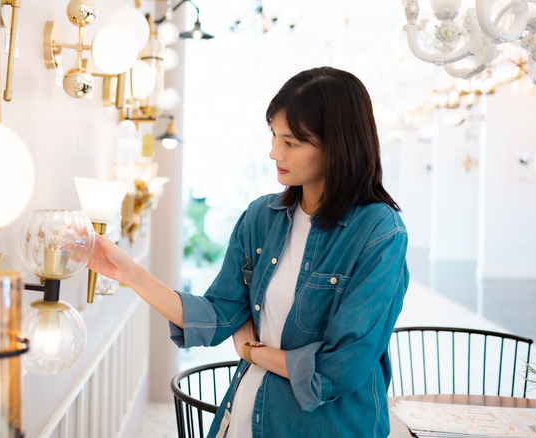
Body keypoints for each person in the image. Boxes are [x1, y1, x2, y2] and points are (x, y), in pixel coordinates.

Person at [87, 66, 409, 438]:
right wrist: (130, 273)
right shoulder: (262, 217)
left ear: (337, 146)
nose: (274, 152)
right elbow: (217, 314)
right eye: (274, 136)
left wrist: (254, 352)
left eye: (291, 142)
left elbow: (341, 368)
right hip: (246, 417)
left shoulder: (379, 233)